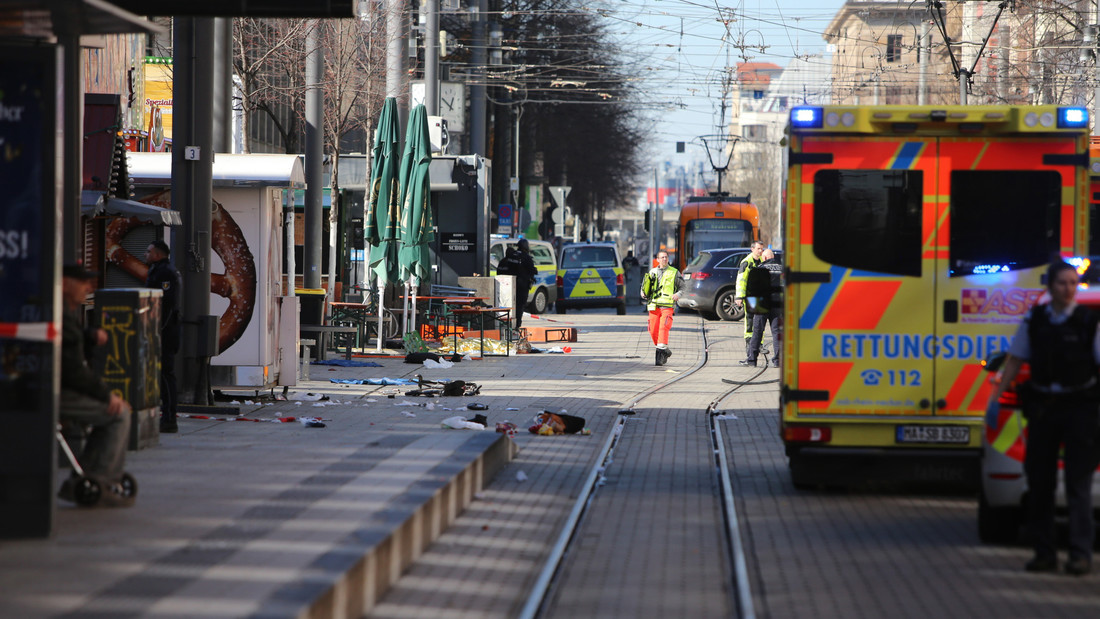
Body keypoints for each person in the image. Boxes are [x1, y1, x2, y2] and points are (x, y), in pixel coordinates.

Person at [988, 260, 1100, 575]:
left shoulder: (1088, 323)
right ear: (1050, 286)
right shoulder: (1035, 320)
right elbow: (1015, 360)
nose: (1068, 289)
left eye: (1073, 283)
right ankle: (1044, 553)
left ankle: (1079, 555)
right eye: (1062, 283)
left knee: (1078, 485)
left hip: (1080, 408)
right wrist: (997, 397)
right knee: (1040, 484)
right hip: (1044, 409)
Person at [58, 263, 135, 508]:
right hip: (57, 392)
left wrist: (88, 336)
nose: (89, 287)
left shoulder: (63, 311)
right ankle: (100, 479)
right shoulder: (59, 312)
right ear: (66, 283)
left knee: (114, 412)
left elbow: (70, 342)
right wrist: (106, 395)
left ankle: (87, 476)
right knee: (118, 414)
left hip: (55, 387)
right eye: (83, 282)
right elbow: (73, 371)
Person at [145, 240, 182, 434]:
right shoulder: (158, 270)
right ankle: (164, 415)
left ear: (158, 254)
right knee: (160, 375)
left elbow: (167, 306)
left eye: (149, 251)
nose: (146, 254)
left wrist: (158, 330)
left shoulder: (166, 272)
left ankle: (169, 418)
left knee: (166, 374)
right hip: (161, 330)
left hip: (166, 332)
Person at [741, 248, 782, 368]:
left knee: (757, 332)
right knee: (777, 332)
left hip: (762, 303)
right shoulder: (782, 268)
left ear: (764, 258)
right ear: (773, 257)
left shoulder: (759, 268)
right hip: (777, 304)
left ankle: (752, 360)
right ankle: (778, 361)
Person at [641, 250, 683, 366]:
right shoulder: (652, 272)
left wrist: (678, 295)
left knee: (663, 328)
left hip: (667, 306)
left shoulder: (674, 272)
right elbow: (645, 286)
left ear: (668, 259)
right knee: (653, 330)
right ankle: (665, 351)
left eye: (666, 257)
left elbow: (683, 288)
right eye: (662, 257)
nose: (664, 259)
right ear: (658, 260)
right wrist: (643, 293)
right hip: (654, 305)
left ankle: (660, 355)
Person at [498, 239, 537, 330]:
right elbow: (531, 270)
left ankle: (507, 324)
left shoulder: (512, 256)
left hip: (508, 285)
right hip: (522, 285)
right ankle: (517, 325)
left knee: (508, 305)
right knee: (520, 305)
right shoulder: (526, 257)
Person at [735, 241, 767, 348]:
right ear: (752, 249)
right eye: (758, 249)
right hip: (750, 296)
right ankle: (749, 341)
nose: (760, 251)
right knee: (750, 319)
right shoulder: (746, 262)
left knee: (760, 321)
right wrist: (739, 296)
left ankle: (760, 343)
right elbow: (741, 280)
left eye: (762, 249)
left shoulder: (763, 261)